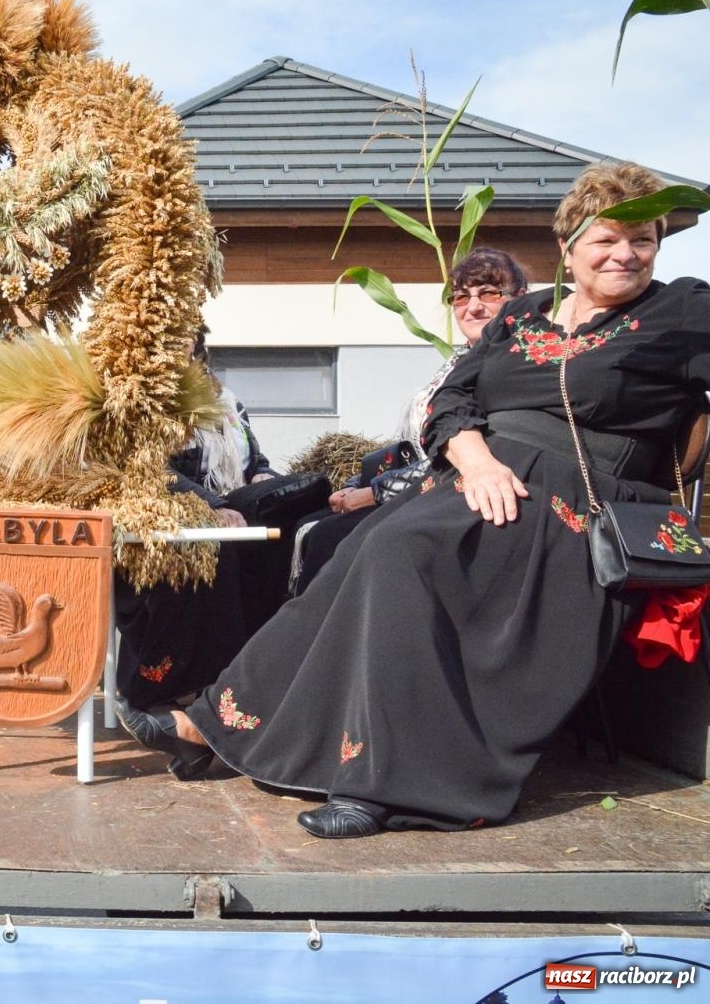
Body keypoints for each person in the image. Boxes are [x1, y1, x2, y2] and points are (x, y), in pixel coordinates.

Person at [118, 161, 710, 838]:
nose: (626, 254)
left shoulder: (681, 309)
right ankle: (220, 723)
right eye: (608, 239)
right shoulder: (524, 313)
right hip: (484, 476)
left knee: (403, 550)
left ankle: (385, 784)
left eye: (645, 240)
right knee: (354, 549)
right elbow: (453, 397)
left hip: (577, 499)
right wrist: (475, 456)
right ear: (569, 245)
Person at [290, 247, 527, 592]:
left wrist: (375, 493)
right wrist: (360, 483)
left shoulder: (512, 362)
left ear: (520, 298)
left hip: (462, 494)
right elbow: (416, 445)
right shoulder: (464, 359)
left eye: (489, 293)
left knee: (329, 538)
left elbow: (455, 457)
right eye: (460, 298)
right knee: (308, 521)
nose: (473, 306)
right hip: (420, 485)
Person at [113, 327, 286, 716]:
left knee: (284, 539)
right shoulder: (146, 399)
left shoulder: (226, 400)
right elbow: (152, 470)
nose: (181, 338)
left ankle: (260, 672)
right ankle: (187, 685)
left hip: (234, 506)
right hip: (170, 513)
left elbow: (254, 461)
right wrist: (213, 504)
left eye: (187, 331)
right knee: (213, 551)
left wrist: (265, 478)